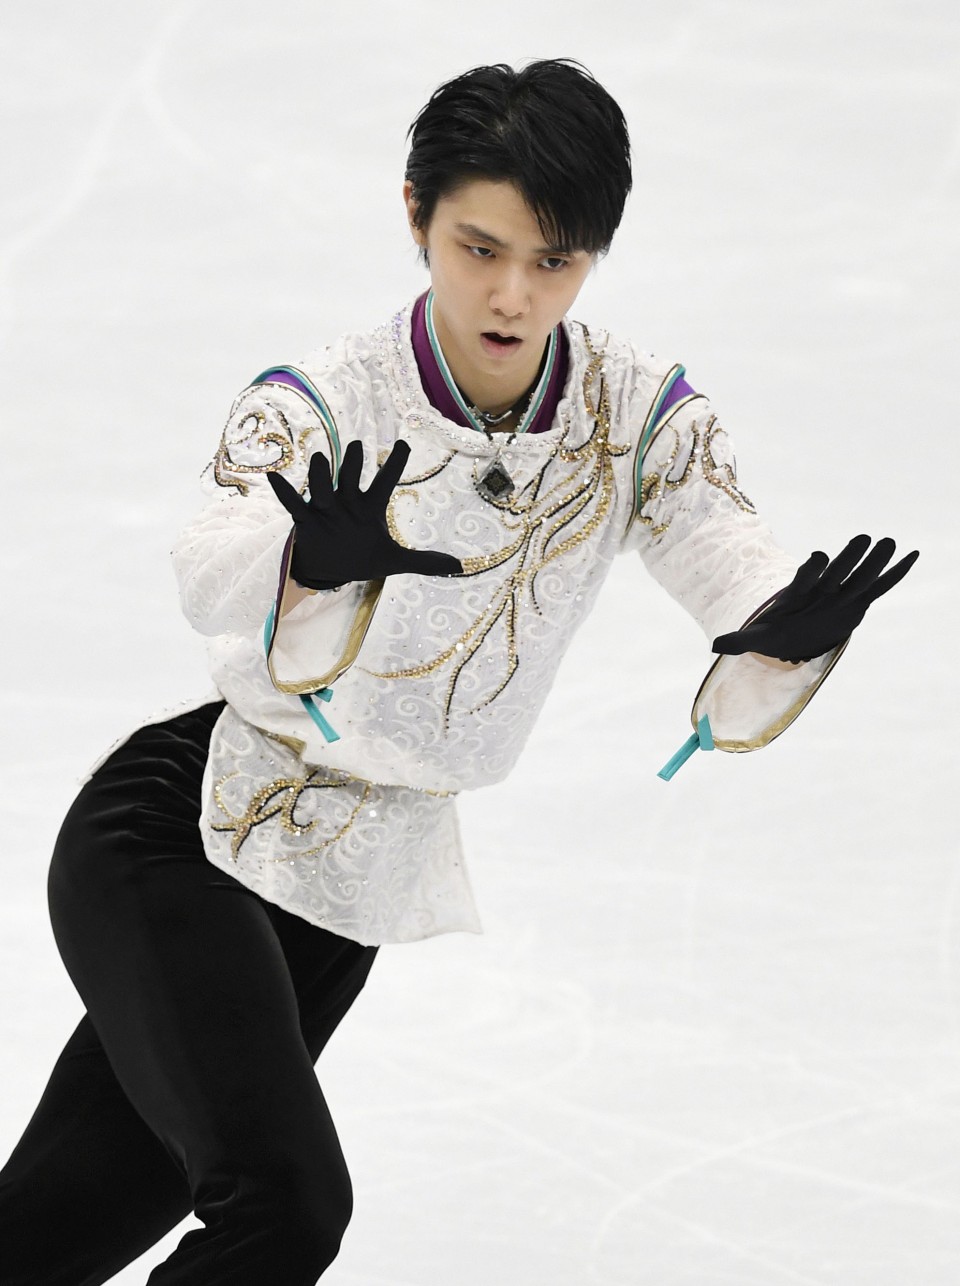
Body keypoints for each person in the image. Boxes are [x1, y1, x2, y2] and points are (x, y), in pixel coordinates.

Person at [0, 58, 917, 1285]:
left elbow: (717, 540)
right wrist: (306, 561)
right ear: (416, 215)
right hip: (184, 831)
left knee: (46, 1234)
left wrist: (775, 622)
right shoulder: (327, 398)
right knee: (284, 1208)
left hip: (347, 892)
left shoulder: (633, 412)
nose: (512, 294)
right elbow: (206, 561)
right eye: (480, 248)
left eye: (555, 261)